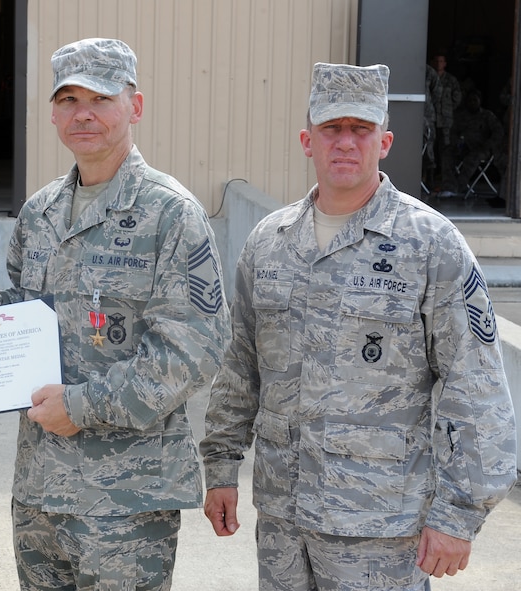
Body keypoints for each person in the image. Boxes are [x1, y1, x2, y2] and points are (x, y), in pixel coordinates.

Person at [0, 38, 229, 590]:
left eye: (101, 98)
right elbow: (26, 305)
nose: (83, 113)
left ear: (134, 106)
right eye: (67, 99)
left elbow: (194, 350)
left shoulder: (170, 214)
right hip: (41, 488)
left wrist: (83, 406)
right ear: (53, 113)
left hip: (127, 497)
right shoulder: (41, 210)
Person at [201, 62, 517, 590]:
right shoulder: (268, 243)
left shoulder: (430, 245)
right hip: (283, 525)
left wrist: (458, 514)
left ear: (385, 141)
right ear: (308, 140)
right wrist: (220, 466)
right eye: (331, 129)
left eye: (360, 130)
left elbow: (475, 386)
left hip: (380, 530)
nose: (345, 143)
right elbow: (241, 366)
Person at [447, 89, 503, 196]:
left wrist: (489, 144)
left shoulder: (487, 116)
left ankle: (460, 186)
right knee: (447, 154)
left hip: (481, 149)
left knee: (472, 158)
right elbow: (453, 131)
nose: (472, 102)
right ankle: (448, 187)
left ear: (480, 101)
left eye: (475, 100)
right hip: (463, 147)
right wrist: (455, 142)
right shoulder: (461, 116)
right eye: (470, 100)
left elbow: (498, 131)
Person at [430, 54, 463, 195]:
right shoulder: (429, 77)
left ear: (445, 63)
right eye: (436, 61)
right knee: (430, 152)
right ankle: (429, 184)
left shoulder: (451, 80)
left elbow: (457, 98)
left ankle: (447, 185)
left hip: (446, 122)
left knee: (446, 153)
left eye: (441, 61)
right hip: (431, 120)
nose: (439, 63)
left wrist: (447, 110)